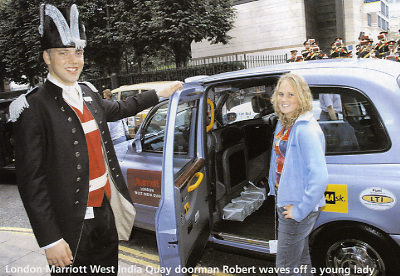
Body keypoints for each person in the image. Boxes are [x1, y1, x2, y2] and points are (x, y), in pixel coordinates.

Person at [9, 4, 182, 275]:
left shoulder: (88, 94)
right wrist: (50, 240)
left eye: (77, 52)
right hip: (70, 223)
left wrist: (159, 93)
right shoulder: (32, 107)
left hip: (105, 211)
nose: (72, 60)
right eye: (62, 53)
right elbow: (32, 185)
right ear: (46, 57)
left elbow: (122, 108)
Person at [268, 73, 328, 275]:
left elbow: (320, 176)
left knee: (285, 267)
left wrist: (300, 210)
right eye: (281, 94)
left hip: (296, 206)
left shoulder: (305, 129)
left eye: (291, 94)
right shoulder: (285, 122)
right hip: (287, 199)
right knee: (301, 258)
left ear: (301, 97)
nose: (284, 99)